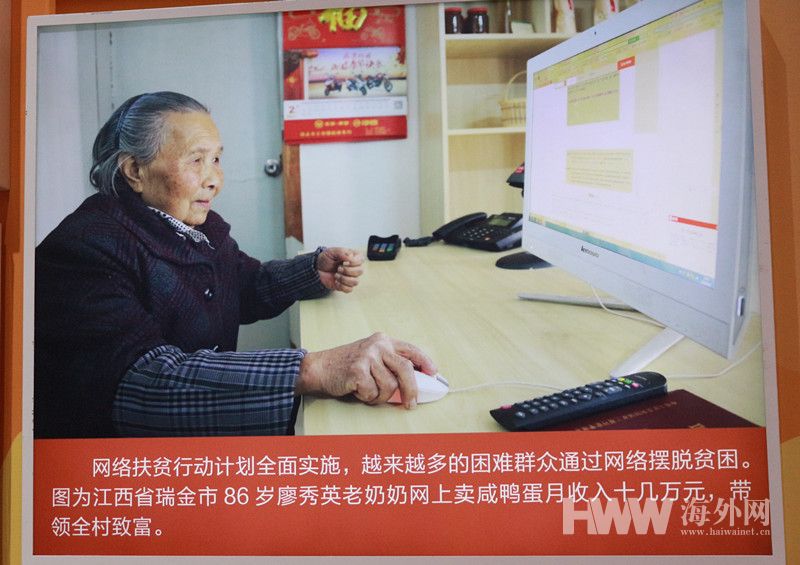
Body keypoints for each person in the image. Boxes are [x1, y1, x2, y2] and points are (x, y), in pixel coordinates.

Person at [34, 91, 436, 438]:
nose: (214, 179)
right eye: (196, 160)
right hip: (119, 465)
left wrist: (310, 272)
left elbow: (241, 284)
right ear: (135, 171)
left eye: (216, 159)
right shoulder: (84, 249)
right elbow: (144, 384)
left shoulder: (190, 226)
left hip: (197, 427)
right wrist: (313, 369)